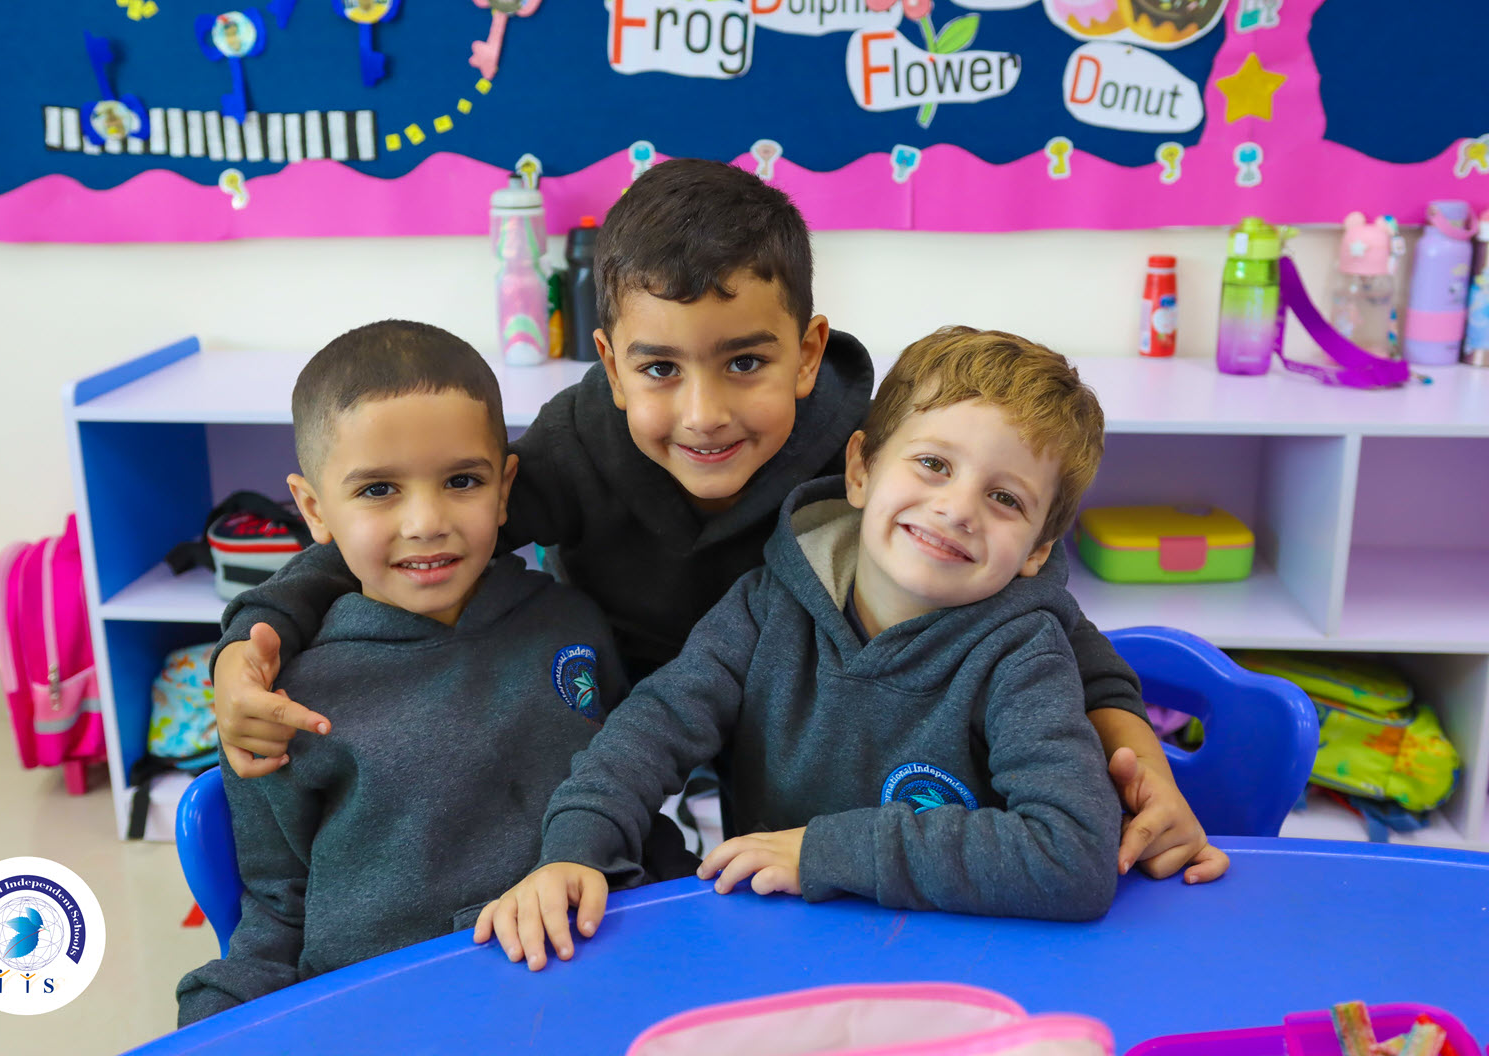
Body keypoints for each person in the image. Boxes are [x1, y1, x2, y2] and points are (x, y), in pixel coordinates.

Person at [208, 159, 1227, 884]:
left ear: (807, 351)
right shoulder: (573, 447)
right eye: (659, 369)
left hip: (804, 741)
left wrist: (1126, 744)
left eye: (745, 361)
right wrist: (248, 641)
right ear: (612, 367)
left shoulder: (872, 460)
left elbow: (1038, 615)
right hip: (627, 718)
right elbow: (413, 531)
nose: (703, 414)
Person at [477, 328, 1126, 969]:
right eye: (934, 464)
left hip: (958, 963)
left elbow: (1073, 855)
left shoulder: (1025, 657)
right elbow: (653, 729)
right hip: (775, 951)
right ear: (861, 470)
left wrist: (827, 851)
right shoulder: (766, 606)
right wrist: (576, 847)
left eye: (1005, 498)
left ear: (1038, 551)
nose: (957, 510)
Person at [176, 321, 626, 1023]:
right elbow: (276, 915)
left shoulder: (573, 626)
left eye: (462, 481)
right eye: (380, 489)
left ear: (504, 488)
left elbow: (629, 812)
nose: (426, 521)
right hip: (390, 1016)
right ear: (314, 509)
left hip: (589, 989)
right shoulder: (281, 700)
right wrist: (217, 1017)